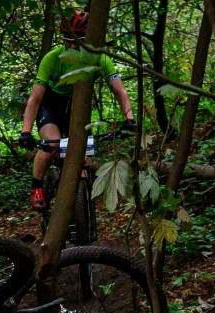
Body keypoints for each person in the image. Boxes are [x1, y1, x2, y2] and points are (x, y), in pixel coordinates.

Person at [17, 10, 136, 211]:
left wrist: (129, 120)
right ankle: (36, 187)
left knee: (84, 166)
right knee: (50, 147)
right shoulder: (52, 58)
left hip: (77, 109)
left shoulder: (99, 58)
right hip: (51, 105)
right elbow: (35, 99)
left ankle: (83, 214)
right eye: (68, 40)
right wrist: (25, 132)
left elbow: (120, 92)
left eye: (78, 40)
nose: (72, 45)